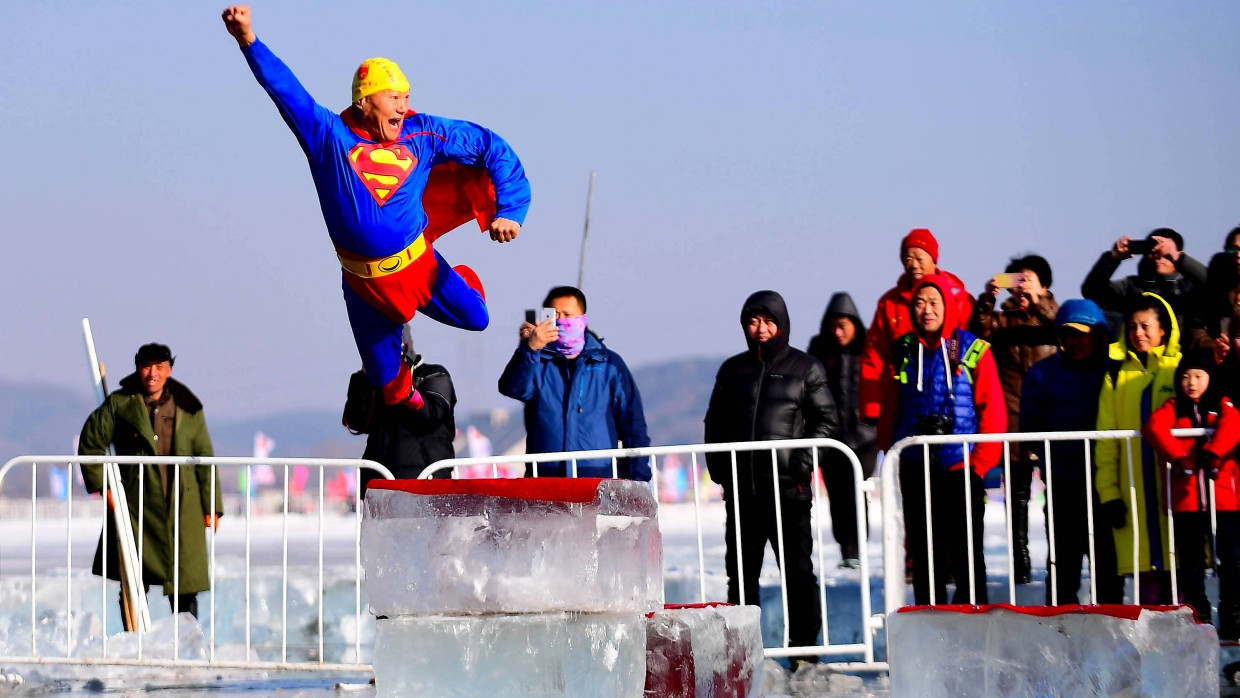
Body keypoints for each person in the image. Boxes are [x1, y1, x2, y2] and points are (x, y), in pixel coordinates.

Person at [222, 6, 531, 410]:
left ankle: (464, 279)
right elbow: (286, 90)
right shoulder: (328, 137)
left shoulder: (423, 133)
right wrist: (248, 40)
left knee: (478, 319)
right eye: (394, 98)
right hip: (363, 285)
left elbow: (490, 146)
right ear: (365, 101)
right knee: (392, 388)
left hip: (420, 269)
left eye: (406, 97)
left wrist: (510, 208)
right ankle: (416, 413)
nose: (403, 107)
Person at [704, 290, 839, 663]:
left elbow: (827, 421)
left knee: (797, 573)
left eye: (768, 321)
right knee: (742, 578)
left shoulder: (805, 368)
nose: (761, 329)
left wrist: (802, 463)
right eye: (753, 321)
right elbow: (715, 422)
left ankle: (804, 653)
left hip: (788, 491)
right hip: (743, 491)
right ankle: (742, 654)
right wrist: (720, 467)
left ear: (782, 323)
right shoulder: (733, 370)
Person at [878, 275, 1006, 605]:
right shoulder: (903, 350)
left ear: (947, 307)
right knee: (924, 556)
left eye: (934, 302)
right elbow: (890, 404)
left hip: (962, 466)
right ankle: (930, 632)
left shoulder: (972, 348)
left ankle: (973, 633)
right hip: (917, 467)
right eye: (919, 303)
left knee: (967, 557)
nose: (926, 310)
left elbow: (992, 410)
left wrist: (979, 465)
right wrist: (892, 453)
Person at [77, 343, 222, 627]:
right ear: (137, 368)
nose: (152, 373)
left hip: (182, 508)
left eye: (159, 367)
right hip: (135, 507)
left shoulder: (188, 406)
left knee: (185, 584)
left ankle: (186, 649)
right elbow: (91, 442)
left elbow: (204, 456)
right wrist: (104, 487)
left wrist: (212, 506)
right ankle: (136, 640)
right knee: (133, 579)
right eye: (146, 366)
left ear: (169, 370)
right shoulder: (120, 404)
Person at [1020, 299, 1123, 604]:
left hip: (1107, 484)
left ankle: (1111, 630)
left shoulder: (1116, 369)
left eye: (1083, 333)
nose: (1076, 341)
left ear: (1100, 335)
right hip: (1064, 483)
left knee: (1109, 564)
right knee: (1064, 564)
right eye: (1069, 334)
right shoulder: (1041, 374)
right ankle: (1061, 634)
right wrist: (1055, 456)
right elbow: (1030, 426)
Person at [969, 254, 1059, 584]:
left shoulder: (1054, 315)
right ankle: (1019, 560)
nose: (1020, 288)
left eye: (1028, 280)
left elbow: (1059, 327)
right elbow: (977, 334)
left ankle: (1057, 558)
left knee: (1056, 493)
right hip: (1012, 417)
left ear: (1044, 284)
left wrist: (1039, 301)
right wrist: (988, 298)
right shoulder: (1002, 320)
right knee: (1017, 494)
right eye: (1016, 281)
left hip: (1048, 416)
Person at [498, 286, 650, 479]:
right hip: (547, 480)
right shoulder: (537, 362)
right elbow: (512, 388)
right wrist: (528, 350)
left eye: (568, 315)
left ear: (582, 319)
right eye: (556, 315)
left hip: (599, 479)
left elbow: (633, 424)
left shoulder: (609, 364)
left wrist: (638, 478)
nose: (562, 321)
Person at [1142, 350, 1240, 633]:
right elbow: (1153, 427)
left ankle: (1233, 617)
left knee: (1232, 561)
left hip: (1225, 499)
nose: (1191, 382)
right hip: (1187, 501)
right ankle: (1200, 617)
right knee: (1191, 565)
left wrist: (1214, 452)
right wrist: (1180, 457)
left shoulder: (1221, 405)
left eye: (1198, 375)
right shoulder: (1173, 406)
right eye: (1185, 376)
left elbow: (1233, 425)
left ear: (1210, 378)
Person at [1095, 293, 1182, 604]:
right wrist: (1110, 495)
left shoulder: (1180, 369)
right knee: (1146, 575)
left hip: (1174, 493)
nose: (1138, 333)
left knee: (1182, 570)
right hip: (1133, 492)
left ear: (1163, 330)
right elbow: (1106, 441)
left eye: (1146, 326)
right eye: (1132, 326)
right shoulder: (1116, 375)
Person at [859, 228, 974, 424]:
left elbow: (974, 349)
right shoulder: (889, 303)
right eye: (907, 259)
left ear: (933, 260)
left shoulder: (960, 299)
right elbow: (874, 356)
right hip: (903, 401)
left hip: (954, 398)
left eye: (920, 258)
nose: (913, 265)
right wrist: (873, 408)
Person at [806, 292, 876, 568]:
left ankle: (856, 548)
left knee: (856, 491)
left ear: (855, 324)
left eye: (843, 326)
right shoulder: (819, 349)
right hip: (831, 437)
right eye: (833, 326)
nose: (838, 332)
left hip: (865, 436)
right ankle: (845, 549)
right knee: (837, 494)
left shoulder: (869, 345)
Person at [352, 327, 456, 493]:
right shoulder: (374, 380)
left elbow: (432, 416)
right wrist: (364, 379)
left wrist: (405, 390)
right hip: (380, 482)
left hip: (425, 479)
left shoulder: (434, 374)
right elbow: (356, 422)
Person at [1081, 228, 1206, 340]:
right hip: (1138, 358)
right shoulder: (1132, 286)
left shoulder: (1191, 287)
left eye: (1165, 253)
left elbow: (1217, 285)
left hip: (1182, 357)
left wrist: (1181, 259)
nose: (1158, 257)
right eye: (1153, 251)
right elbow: (1092, 291)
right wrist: (1112, 259)